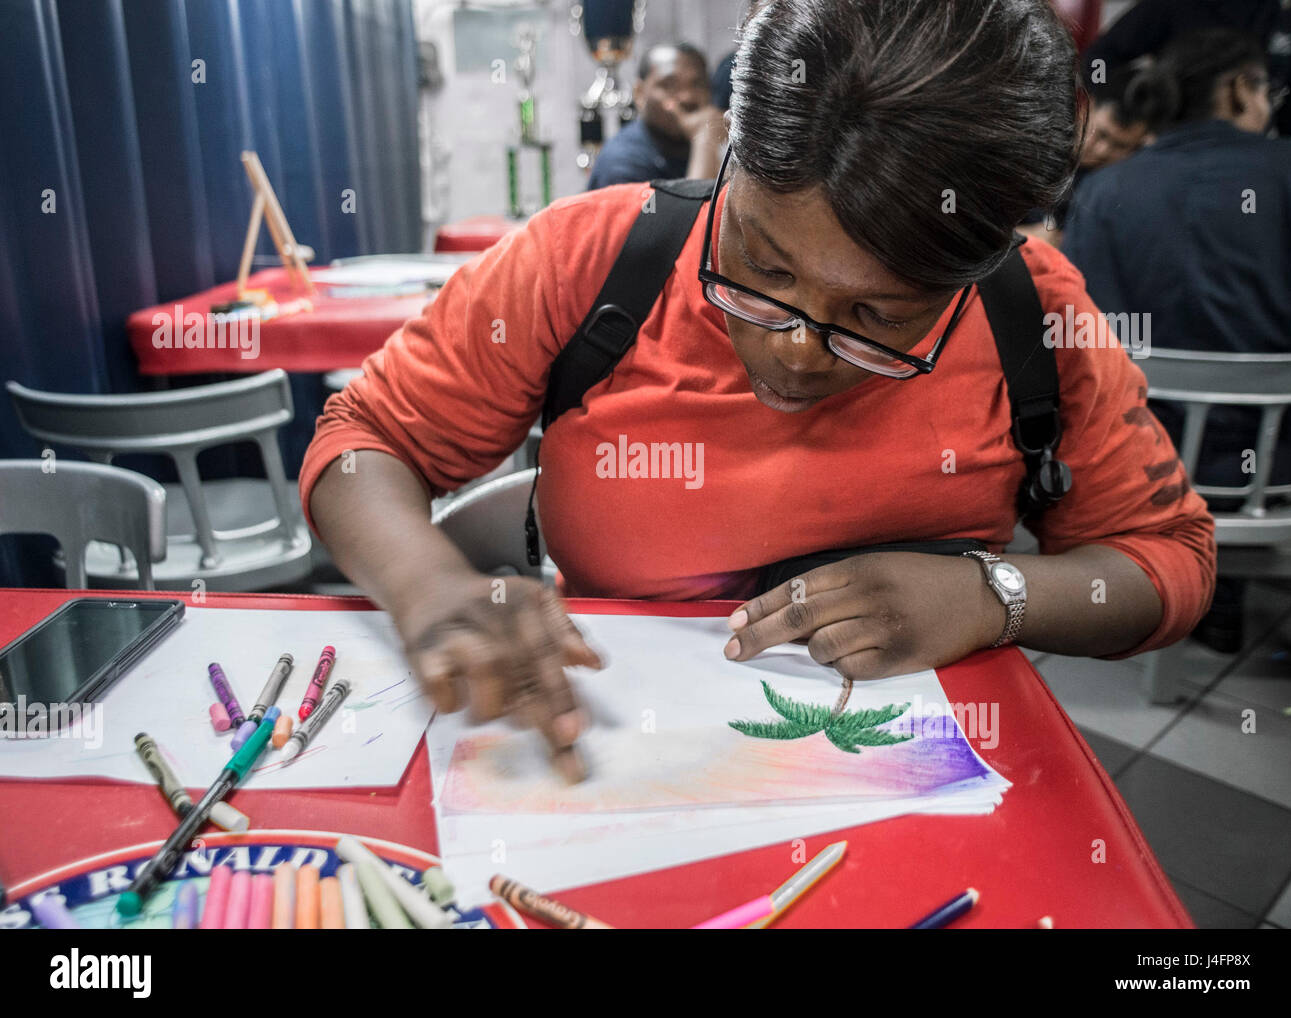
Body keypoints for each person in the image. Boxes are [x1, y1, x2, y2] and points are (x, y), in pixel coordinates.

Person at [303, 0, 1215, 779]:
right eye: (758, 265)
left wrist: (993, 595)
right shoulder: (590, 259)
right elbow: (363, 437)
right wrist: (428, 586)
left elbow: (1165, 558)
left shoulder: (1033, 315)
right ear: (730, 161)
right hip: (611, 762)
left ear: (976, 274)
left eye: (879, 317)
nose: (796, 350)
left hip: (907, 779)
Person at [1064, 28, 1291, 652]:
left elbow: (1085, 347)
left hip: (1140, 465)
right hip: (1283, 469)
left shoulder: (1109, 191)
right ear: (1238, 89)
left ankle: (1195, 597)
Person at [1085, 0, 1291, 136]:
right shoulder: (1175, 6)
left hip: (1248, 149)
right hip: (1170, 140)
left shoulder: (1287, 17)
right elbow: (1099, 60)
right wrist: (1118, 105)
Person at [1020, 61, 1151, 247]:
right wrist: (1022, 239)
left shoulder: (1114, 193)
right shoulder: (1030, 141)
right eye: (1101, 134)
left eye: (1120, 146)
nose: (1102, 150)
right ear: (1086, 107)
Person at [586, 42, 726, 189]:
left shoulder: (709, 144)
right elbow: (697, 211)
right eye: (669, 85)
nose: (687, 97)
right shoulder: (621, 163)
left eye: (698, 84)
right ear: (639, 93)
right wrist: (704, 141)